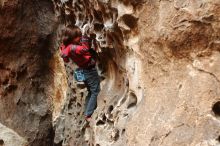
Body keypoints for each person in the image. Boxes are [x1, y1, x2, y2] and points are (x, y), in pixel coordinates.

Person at [60, 25, 100, 121]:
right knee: (95, 91)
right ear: (72, 38)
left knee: (90, 91)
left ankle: (87, 111)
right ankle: (88, 114)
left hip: (82, 70)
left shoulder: (65, 47)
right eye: (78, 36)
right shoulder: (73, 47)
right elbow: (85, 49)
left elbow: (65, 59)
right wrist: (85, 37)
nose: (80, 38)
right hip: (89, 70)